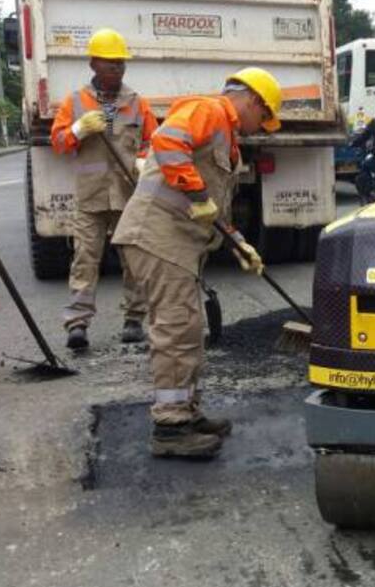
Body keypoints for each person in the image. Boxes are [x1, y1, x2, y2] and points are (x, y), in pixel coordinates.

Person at [112, 68, 279, 459]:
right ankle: (170, 428)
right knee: (176, 329)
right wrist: (197, 191)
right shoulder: (210, 110)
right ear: (253, 101)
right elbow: (168, 140)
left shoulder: (227, 137)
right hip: (156, 236)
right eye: (264, 117)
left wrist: (240, 244)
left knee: (187, 329)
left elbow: (213, 209)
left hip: (175, 242)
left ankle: (186, 412)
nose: (261, 129)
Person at [50, 28, 158, 351]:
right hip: (91, 197)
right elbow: (58, 142)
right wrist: (78, 129)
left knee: (133, 260)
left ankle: (134, 320)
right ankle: (78, 324)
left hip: (127, 194)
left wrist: (142, 160)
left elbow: (153, 142)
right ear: (94, 64)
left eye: (121, 64)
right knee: (85, 258)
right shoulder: (76, 102)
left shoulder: (137, 103)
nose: (118, 70)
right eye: (111, 64)